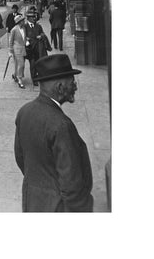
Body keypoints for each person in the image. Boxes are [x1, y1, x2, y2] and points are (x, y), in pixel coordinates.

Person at [14, 54, 93, 212]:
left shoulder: (24, 112)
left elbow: (20, 157)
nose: (75, 86)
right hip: (58, 207)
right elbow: (72, 183)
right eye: (72, 81)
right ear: (59, 87)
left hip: (33, 202)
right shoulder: (61, 125)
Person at [24, 9, 45, 85]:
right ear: (28, 18)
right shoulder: (25, 27)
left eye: (34, 17)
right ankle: (34, 79)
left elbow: (42, 33)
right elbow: (23, 36)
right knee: (32, 64)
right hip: (29, 49)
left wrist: (41, 36)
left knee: (37, 64)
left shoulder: (38, 26)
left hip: (37, 48)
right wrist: (26, 38)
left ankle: (37, 76)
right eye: (32, 17)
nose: (34, 18)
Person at [9, 14, 27, 89]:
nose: (24, 21)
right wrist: (10, 51)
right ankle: (20, 80)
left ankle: (15, 74)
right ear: (19, 22)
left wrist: (26, 41)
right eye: (23, 20)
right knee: (21, 64)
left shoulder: (24, 28)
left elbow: (24, 37)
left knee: (17, 64)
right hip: (16, 49)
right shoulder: (14, 29)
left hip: (23, 48)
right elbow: (10, 41)